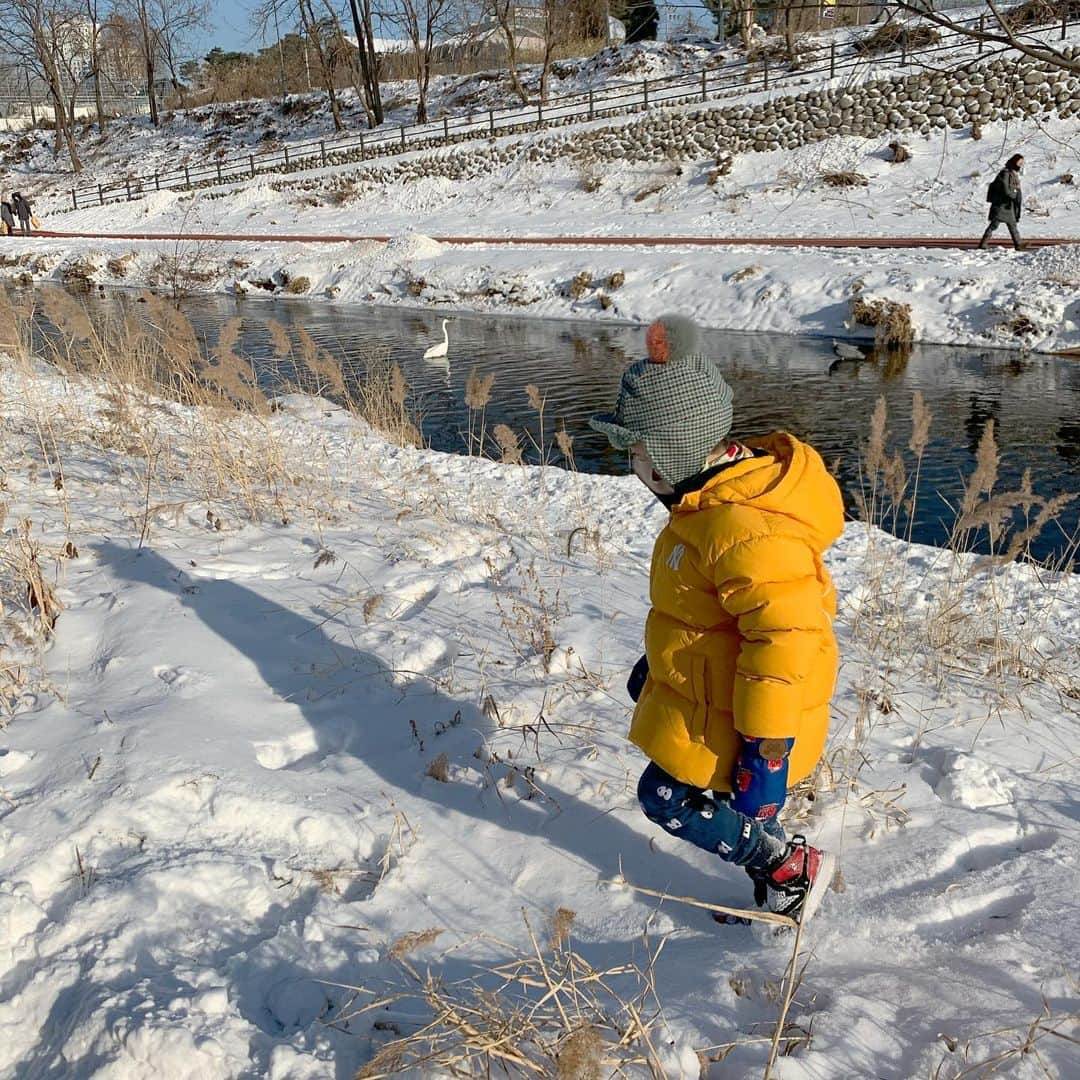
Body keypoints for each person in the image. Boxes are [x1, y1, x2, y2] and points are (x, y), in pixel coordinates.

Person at [590, 314, 844, 924]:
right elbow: (702, 613)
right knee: (728, 798)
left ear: (668, 454)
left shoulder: (739, 526)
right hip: (721, 696)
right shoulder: (707, 506)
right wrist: (659, 666)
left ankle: (787, 868)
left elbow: (785, 637)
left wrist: (768, 749)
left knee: (665, 797)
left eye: (636, 450)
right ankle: (776, 859)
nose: (630, 463)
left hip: (754, 717)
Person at [979, 154, 1024, 251]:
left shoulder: (1012, 173)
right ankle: (983, 243)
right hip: (1002, 205)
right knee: (994, 224)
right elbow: (1006, 189)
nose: (1020, 165)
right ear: (1014, 162)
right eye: (1019, 163)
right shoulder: (1006, 173)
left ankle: (1019, 244)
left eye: (1021, 163)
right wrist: (1014, 194)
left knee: (1012, 225)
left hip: (1007, 205)